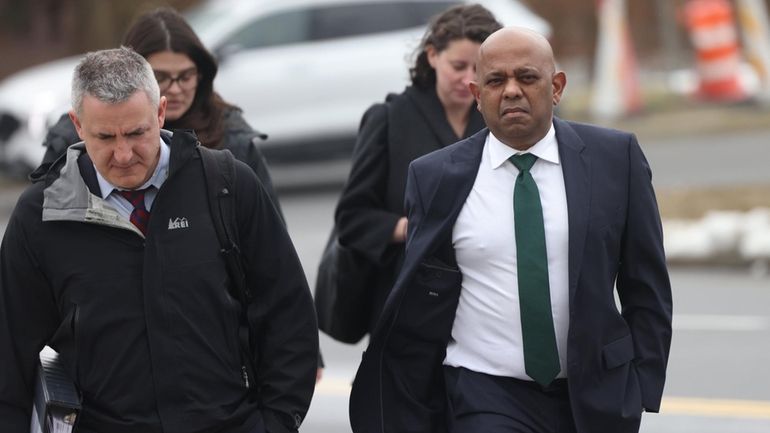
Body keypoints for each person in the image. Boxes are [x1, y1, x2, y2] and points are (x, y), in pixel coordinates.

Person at [349, 27, 672, 433]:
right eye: (496, 81)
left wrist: (640, 384)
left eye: (527, 77)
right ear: (477, 94)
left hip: (596, 391)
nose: (512, 91)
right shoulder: (433, 176)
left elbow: (647, 285)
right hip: (484, 392)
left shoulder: (615, 159)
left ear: (556, 87)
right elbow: (420, 295)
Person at [0, 47, 318, 433]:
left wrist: (276, 424)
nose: (123, 153)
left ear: (161, 113)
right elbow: (9, 358)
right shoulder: (42, 215)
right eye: (105, 136)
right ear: (78, 126)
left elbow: (288, 315)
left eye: (137, 133)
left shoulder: (227, 186)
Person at [333, 4, 502, 332]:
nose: (469, 79)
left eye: (478, 68)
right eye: (458, 66)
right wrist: (413, 229)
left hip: (484, 302)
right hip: (408, 305)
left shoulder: (498, 120)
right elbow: (352, 219)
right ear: (432, 55)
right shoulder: (389, 119)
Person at [37, 7, 281, 214]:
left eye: (185, 76)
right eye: (160, 77)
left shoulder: (232, 137)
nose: (175, 89)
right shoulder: (73, 137)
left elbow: (266, 239)